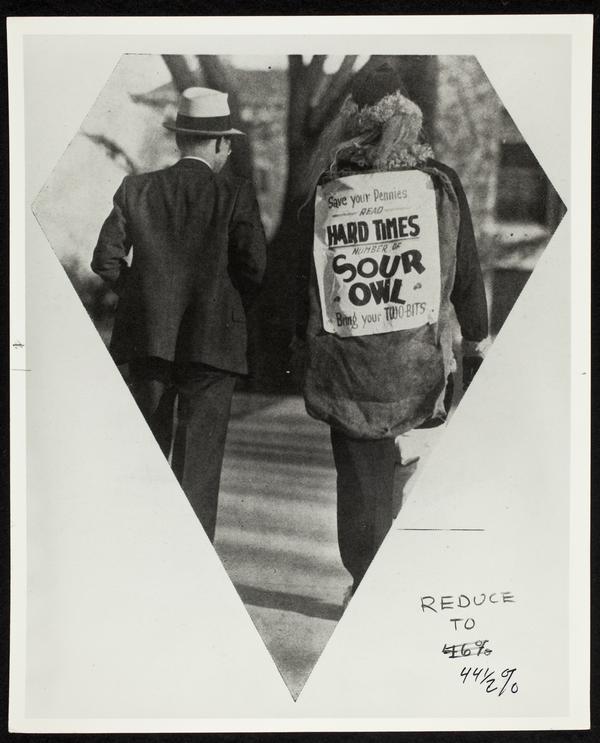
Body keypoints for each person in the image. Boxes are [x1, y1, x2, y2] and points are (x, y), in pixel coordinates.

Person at [294, 63, 489, 598]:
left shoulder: (329, 186)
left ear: (354, 121)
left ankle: (367, 579)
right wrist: (477, 335)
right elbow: (466, 267)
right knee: (401, 458)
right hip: (417, 362)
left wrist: (298, 342)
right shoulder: (438, 183)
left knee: (359, 478)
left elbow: (303, 278)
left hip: (349, 363)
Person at [91, 86, 267, 541]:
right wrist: (223, 304)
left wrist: (144, 298)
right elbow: (253, 267)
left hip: (148, 342)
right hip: (214, 348)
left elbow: (106, 260)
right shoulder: (235, 193)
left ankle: (143, 553)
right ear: (220, 143)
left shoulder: (136, 189)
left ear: (178, 138)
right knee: (198, 470)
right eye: (228, 143)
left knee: (146, 460)